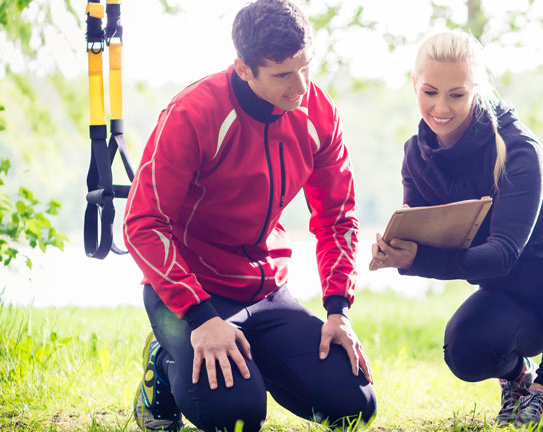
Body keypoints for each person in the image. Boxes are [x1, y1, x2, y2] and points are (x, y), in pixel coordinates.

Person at [123, 1, 375, 431]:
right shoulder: (193, 114)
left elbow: (336, 217)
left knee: (355, 406)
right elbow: (143, 224)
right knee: (235, 416)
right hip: (190, 292)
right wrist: (201, 318)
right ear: (243, 68)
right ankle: (166, 363)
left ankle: (251, 358)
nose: (300, 87)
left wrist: (338, 310)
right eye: (282, 75)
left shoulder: (318, 112)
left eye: (305, 68)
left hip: (264, 288)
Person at [369, 30, 543, 429]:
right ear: (414, 85)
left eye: (456, 95)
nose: (441, 107)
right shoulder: (416, 155)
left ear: (477, 88)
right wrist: (400, 253)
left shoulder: (519, 148)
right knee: (462, 348)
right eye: (430, 92)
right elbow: (424, 241)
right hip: (513, 297)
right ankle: (519, 379)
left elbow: (503, 253)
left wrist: (422, 258)